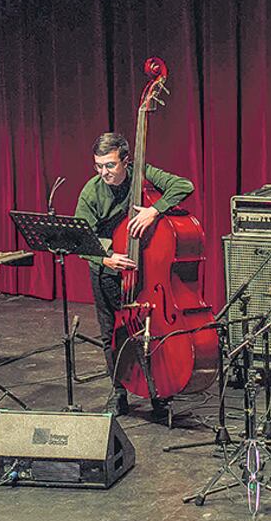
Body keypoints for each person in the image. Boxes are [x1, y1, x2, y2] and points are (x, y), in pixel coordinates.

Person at [74, 132, 194, 416]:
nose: (104, 172)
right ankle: (118, 392)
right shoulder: (91, 192)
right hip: (107, 269)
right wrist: (106, 258)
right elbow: (81, 240)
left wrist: (155, 210)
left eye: (110, 165)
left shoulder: (142, 173)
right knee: (111, 334)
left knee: (149, 332)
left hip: (143, 273)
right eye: (99, 166)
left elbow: (183, 185)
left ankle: (157, 391)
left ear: (126, 161)